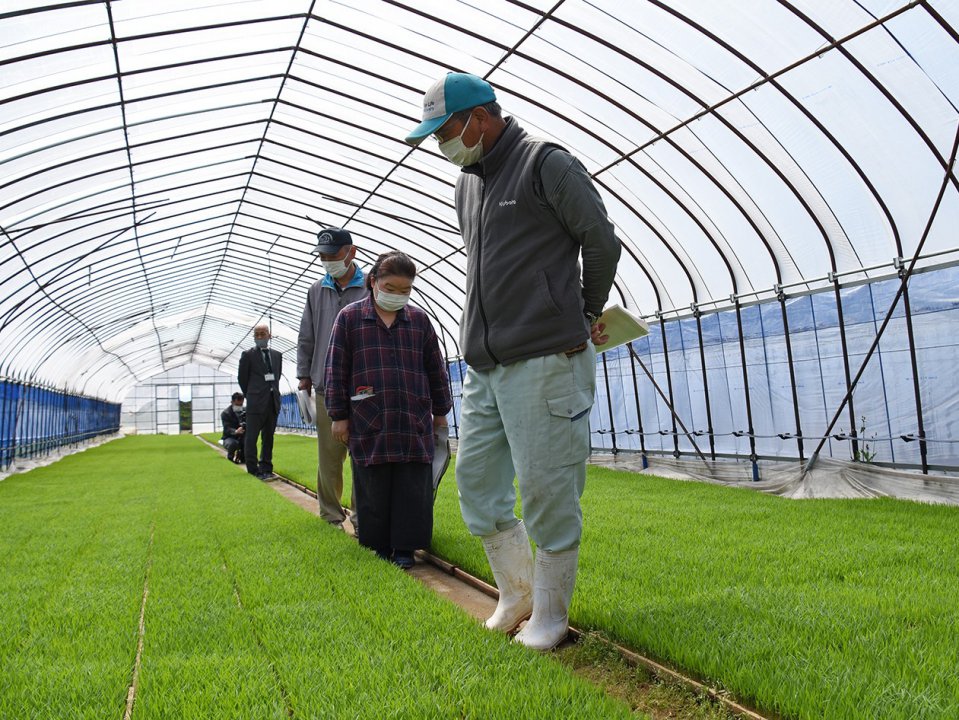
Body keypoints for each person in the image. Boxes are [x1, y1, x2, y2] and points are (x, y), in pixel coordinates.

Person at [405, 72, 621, 650]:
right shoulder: (467, 184)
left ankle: (551, 615)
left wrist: (581, 310)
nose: (441, 144)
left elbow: (601, 240)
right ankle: (516, 592)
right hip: (485, 364)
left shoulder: (545, 163)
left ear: (479, 117)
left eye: (445, 130)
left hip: (545, 358)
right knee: (476, 483)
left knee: (548, 489)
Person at [324, 251, 452, 570]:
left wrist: (440, 410)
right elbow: (336, 369)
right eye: (390, 287)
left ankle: (406, 548)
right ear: (373, 283)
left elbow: (436, 370)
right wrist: (339, 416)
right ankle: (377, 545)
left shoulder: (419, 321)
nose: (397, 295)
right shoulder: (351, 318)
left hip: (412, 417)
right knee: (373, 484)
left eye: (405, 290)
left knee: (412, 485)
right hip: (369, 417)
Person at [297, 227, 367, 530]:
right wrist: (304, 378)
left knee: (363, 455)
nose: (326, 261)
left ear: (351, 252)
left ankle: (363, 516)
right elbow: (306, 337)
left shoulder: (370, 287)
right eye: (322, 256)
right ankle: (330, 515)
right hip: (326, 386)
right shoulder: (316, 290)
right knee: (329, 456)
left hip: (364, 387)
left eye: (332, 255)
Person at [238, 323, 283, 480]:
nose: (259, 337)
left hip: (272, 401)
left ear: (269, 335)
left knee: (268, 437)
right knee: (252, 437)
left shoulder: (277, 355)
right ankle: (253, 469)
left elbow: (277, 377)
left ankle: (266, 467)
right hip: (255, 402)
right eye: (256, 334)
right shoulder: (248, 355)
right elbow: (242, 379)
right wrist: (251, 394)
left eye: (262, 334)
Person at [221, 392, 246, 463]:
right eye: (237, 404)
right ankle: (230, 459)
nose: (239, 406)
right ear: (232, 402)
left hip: (243, 436)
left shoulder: (245, 411)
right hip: (229, 437)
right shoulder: (226, 413)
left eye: (241, 404)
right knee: (233, 444)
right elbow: (227, 428)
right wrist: (235, 431)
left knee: (249, 442)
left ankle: (245, 459)